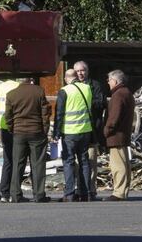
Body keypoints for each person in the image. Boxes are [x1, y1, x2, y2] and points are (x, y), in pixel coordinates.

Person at [5, 78, 51, 203]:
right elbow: (45, 113)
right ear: (30, 79)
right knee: (38, 164)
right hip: (36, 131)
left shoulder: (11, 94)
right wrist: (45, 129)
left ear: (18, 80)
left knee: (18, 164)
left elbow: (8, 116)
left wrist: (12, 129)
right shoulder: (39, 91)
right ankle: (39, 194)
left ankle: (15, 194)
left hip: (19, 132)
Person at [53, 69, 93, 202]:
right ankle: (85, 193)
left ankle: (69, 193)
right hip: (86, 130)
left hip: (69, 132)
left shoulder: (64, 91)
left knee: (69, 162)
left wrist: (56, 133)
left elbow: (59, 113)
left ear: (66, 78)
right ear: (76, 77)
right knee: (84, 161)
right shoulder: (87, 88)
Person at [73, 61, 107, 200]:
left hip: (92, 131)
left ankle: (91, 190)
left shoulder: (95, 85)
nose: (80, 73)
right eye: (78, 71)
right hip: (76, 130)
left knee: (91, 161)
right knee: (76, 163)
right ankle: (79, 189)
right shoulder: (71, 87)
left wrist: (86, 101)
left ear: (87, 72)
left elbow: (101, 104)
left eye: (83, 70)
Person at [102, 70, 135, 201]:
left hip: (116, 135)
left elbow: (114, 117)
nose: (108, 82)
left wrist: (106, 130)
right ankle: (123, 190)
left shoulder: (118, 95)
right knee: (124, 164)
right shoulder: (127, 93)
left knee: (118, 165)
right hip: (124, 134)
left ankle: (119, 192)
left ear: (115, 81)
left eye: (109, 80)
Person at [0, 80, 20, 203]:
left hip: (3, 126)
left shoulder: (0, 87)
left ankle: (4, 192)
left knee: (7, 160)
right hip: (15, 126)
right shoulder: (17, 86)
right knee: (17, 160)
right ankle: (14, 191)